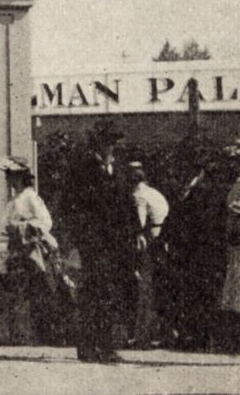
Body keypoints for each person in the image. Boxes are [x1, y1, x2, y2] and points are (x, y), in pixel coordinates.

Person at [61, 120, 140, 364]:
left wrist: (135, 232)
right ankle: (88, 346)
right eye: (109, 143)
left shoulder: (116, 170)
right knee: (93, 293)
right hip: (93, 241)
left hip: (115, 242)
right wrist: (79, 237)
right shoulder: (83, 168)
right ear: (99, 143)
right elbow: (70, 206)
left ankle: (104, 345)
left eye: (114, 144)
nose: (112, 148)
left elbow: (128, 203)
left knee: (107, 293)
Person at [164, 147, 240, 350]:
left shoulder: (207, 189)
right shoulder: (209, 188)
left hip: (204, 247)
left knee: (206, 293)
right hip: (201, 248)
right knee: (204, 293)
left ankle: (202, 337)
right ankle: (202, 337)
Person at [0, 155, 60, 344]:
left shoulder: (30, 197)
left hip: (30, 250)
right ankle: (20, 333)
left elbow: (46, 221)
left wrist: (23, 226)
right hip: (16, 249)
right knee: (17, 290)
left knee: (35, 289)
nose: (9, 180)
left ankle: (40, 333)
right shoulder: (15, 199)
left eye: (12, 176)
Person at [130, 161, 170, 348]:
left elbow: (139, 222)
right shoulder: (156, 193)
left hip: (150, 242)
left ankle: (143, 336)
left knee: (146, 289)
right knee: (158, 288)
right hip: (163, 241)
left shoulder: (139, 196)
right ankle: (160, 333)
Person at [219, 139, 240, 350]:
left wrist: (235, 210)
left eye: (239, 160)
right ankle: (238, 337)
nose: (235, 165)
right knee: (238, 284)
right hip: (237, 239)